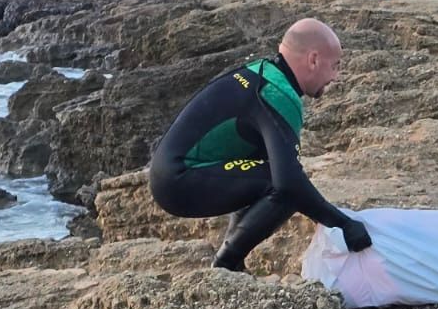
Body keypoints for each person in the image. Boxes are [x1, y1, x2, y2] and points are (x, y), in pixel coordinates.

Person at [149, 19, 371, 272]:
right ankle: (227, 264)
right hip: (179, 180)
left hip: (170, 174)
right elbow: (289, 184)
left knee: (270, 172)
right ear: (313, 60)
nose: (335, 77)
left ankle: (230, 262)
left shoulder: (263, 73)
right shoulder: (277, 94)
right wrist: (344, 224)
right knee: (283, 185)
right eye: (335, 66)